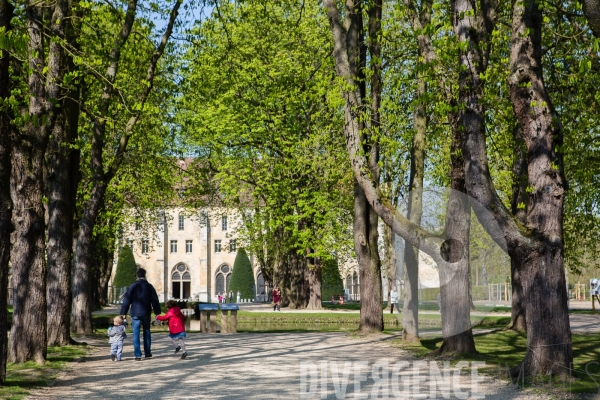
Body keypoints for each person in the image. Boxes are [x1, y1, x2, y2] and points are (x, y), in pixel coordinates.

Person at [120, 268, 161, 361]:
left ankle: (137, 355)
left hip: (135, 312)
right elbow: (154, 300)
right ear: (145, 275)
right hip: (146, 312)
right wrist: (157, 312)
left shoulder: (133, 286)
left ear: (137, 275)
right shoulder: (149, 286)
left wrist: (123, 313)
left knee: (136, 334)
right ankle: (147, 353)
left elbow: (127, 300)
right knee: (147, 332)